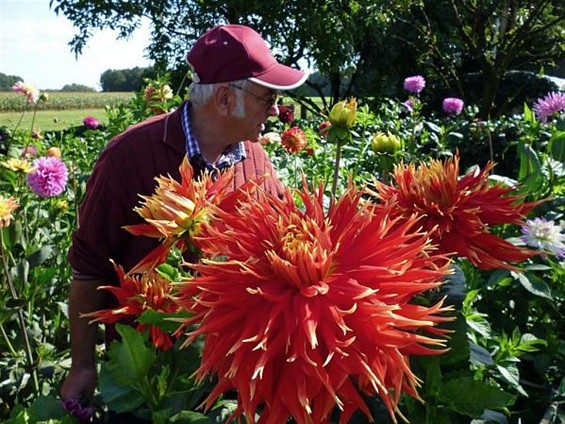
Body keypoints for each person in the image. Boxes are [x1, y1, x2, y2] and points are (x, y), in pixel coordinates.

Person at [60, 23, 307, 419]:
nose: (277, 110)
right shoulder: (129, 158)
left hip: (230, 374)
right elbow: (89, 270)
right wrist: (83, 365)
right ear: (226, 98)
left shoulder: (257, 160)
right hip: (151, 381)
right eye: (268, 97)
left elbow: (284, 238)